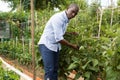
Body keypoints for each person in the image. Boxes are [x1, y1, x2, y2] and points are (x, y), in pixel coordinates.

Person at [38, 3, 79, 80]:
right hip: (47, 44)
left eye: (75, 13)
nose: (73, 14)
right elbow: (59, 38)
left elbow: (59, 31)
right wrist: (72, 45)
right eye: (72, 11)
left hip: (54, 46)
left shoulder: (66, 20)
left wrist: (71, 33)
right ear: (67, 9)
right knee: (50, 70)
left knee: (55, 69)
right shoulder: (58, 18)